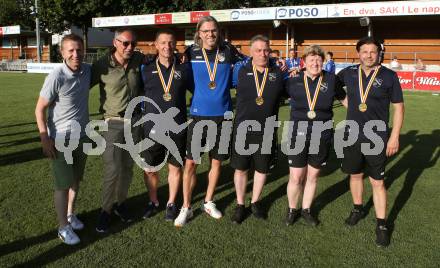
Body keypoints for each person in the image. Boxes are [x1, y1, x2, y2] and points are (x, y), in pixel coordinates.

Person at [174, 16, 246, 227]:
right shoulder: (190, 53)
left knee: (216, 162)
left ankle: (208, 201)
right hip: (198, 115)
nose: (210, 34)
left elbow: (248, 62)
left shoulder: (229, 51)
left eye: (213, 30)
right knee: (191, 163)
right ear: (199, 33)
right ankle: (186, 207)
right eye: (206, 31)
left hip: (223, 116)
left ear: (219, 31)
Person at [337, 37, 405, 247]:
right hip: (353, 133)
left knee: (377, 181)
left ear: (379, 53)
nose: (368, 55)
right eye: (364, 51)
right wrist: (348, 105)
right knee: (355, 175)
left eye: (373, 51)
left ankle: (382, 224)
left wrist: (394, 136)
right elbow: (331, 84)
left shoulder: (389, 76)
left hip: (377, 136)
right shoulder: (347, 73)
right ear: (358, 53)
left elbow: (399, 108)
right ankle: (358, 208)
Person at [35, 34, 91, 245]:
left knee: (76, 180)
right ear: (62, 52)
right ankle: (62, 227)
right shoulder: (56, 75)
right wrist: (44, 138)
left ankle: (70, 215)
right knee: (62, 185)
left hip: (82, 136)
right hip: (60, 140)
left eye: (79, 49)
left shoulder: (87, 70)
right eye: (70, 50)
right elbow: (39, 109)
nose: (75, 54)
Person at [285, 45, 347, 227]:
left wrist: (362, 118)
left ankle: (306, 209)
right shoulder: (293, 80)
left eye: (318, 60)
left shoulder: (331, 79)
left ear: (323, 62)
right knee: (296, 177)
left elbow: (344, 100)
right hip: (298, 133)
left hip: (322, 134)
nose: (315, 63)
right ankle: (291, 209)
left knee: (312, 176)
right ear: (304, 62)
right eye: (311, 59)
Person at [91, 28, 145, 233]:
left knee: (127, 169)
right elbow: (80, 85)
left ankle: (121, 204)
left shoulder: (139, 60)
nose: (130, 47)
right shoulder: (101, 66)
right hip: (112, 123)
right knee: (112, 169)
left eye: (133, 44)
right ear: (115, 43)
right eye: (125, 43)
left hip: (135, 122)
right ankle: (106, 210)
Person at [230, 35, 287, 224]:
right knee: (241, 168)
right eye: (258, 50)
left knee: (262, 169)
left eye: (266, 50)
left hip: (267, 129)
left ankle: (255, 202)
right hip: (242, 128)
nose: (262, 54)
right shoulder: (239, 70)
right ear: (250, 52)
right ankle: (240, 204)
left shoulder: (279, 73)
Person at [140, 29, 193, 221]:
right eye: (163, 42)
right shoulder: (145, 68)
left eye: (171, 42)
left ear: (175, 45)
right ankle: (153, 201)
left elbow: (197, 91)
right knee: (150, 168)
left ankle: (171, 203)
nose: (167, 46)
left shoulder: (184, 69)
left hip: (177, 127)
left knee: (174, 167)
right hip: (152, 127)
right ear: (156, 44)